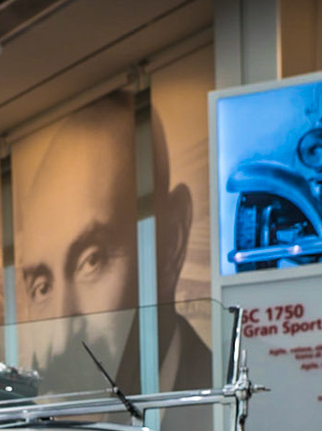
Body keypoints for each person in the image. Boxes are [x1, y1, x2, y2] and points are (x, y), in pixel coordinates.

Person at [11, 92, 212, 407]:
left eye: (91, 261)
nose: (63, 334)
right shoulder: (51, 427)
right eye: (42, 287)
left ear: (170, 241)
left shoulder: (223, 404)